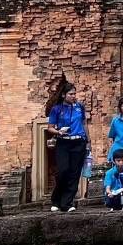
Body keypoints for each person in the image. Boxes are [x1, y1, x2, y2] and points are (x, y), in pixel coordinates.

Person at [44, 84, 88, 212]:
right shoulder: (56, 109)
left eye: (75, 94)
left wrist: (88, 141)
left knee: (75, 173)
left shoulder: (80, 107)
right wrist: (58, 132)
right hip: (63, 142)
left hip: (78, 142)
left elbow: (84, 124)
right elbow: (50, 127)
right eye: (71, 94)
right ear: (64, 95)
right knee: (63, 171)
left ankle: (67, 203)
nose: (74, 96)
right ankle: (56, 199)